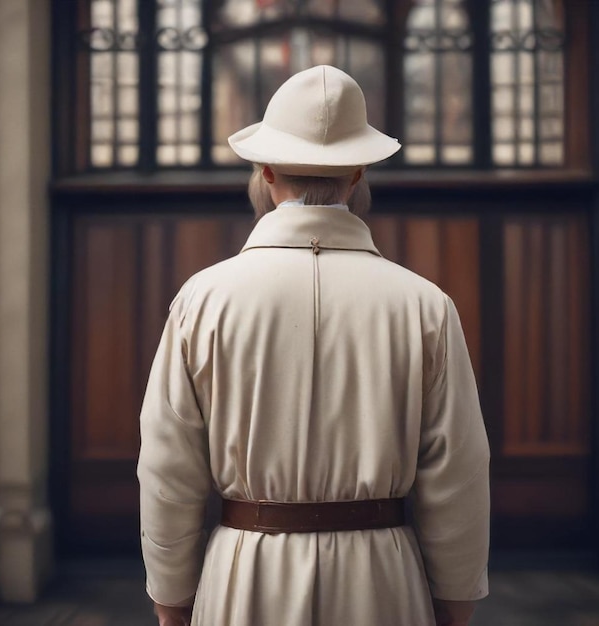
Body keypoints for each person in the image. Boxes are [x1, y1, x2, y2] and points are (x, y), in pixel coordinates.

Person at [137, 65, 490, 626]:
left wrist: (171, 596)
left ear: (266, 171)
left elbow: (167, 468)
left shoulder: (202, 301)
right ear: (357, 173)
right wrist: (455, 600)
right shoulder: (425, 305)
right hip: (383, 580)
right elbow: (458, 473)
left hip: (245, 576)